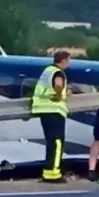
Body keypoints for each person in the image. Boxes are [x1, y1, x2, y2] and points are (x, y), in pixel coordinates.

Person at [31, 50, 70, 183]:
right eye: (68, 61)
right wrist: (59, 95)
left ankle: (48, 171)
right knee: (57, 142)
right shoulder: (58, 72)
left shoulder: (47, 70)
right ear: (63, 60)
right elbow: (58, 84)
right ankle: (54, 173)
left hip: (43, 110)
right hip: (54, 110)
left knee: (50, 142)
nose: (68, 64)